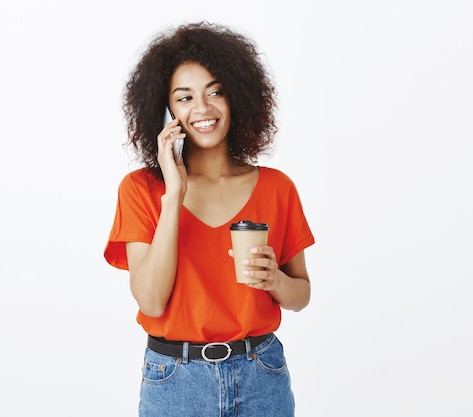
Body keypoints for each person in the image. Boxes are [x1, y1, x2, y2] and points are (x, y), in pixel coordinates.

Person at [104, 21, 315, 417]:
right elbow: (150, 300)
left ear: (237, 96)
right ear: (165, 110)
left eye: (215, 91)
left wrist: (275, 281)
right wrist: (175, 194)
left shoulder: (276, 187)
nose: (202, 109)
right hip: (175, 381)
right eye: (184, 98)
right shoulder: (141, 189)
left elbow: (301, 296)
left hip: (262, 376)